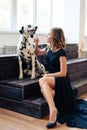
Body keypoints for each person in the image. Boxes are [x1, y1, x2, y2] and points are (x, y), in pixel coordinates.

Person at [34, 27, 75, 128]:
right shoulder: (48, 48)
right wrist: (36, 43)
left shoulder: (61, 53)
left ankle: (53, 110)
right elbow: (38, 52)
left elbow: (63, 73)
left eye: (49, 34)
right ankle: (55, 105)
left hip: (61, 80)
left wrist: (49, 74)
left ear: (54, 37)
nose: (47, 36)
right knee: (48, 91)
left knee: (42, 81)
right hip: (52, 79)